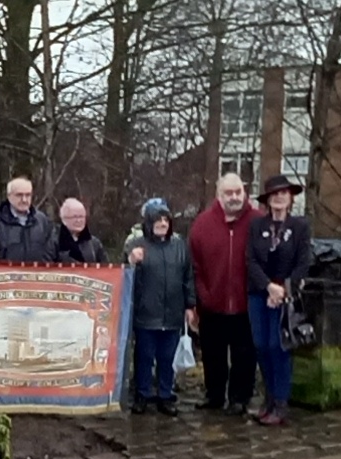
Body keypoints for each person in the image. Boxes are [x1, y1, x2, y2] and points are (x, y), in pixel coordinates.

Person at [188, 173, 261, 415]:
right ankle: (214, 395)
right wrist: (202, 296)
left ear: (245, 192)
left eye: (238, 192)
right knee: (212, 353)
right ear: (219, 196)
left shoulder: (258, 221)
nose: (234, 197)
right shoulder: (202, 224)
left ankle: (240, 398)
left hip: (246, 302)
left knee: (244, 354)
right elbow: (194, 264)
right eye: (229, 193)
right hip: (212, 302)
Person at [247, 175, 313, 426]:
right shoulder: (257, 226)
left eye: (284, 193)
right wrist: (268, 287)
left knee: (279, 346)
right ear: (267, 199)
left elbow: (302, 263)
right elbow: (251, 261)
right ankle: (268, 399)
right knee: (262, 345)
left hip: (285, 295)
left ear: (290, 198)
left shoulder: (300, 227)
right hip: (259, 292)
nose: (279, 197)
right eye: (275, 194)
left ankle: (281, 403)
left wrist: (282, 291)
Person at [125, 199, 196, 416]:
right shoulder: (137, 246)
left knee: (167, 358)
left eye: (166, 220)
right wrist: (130, 261)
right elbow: (124, 276)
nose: (162, 224)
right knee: (144, 357)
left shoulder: (179, 247)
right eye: (158, 220)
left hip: (173, 313)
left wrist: (190, 305)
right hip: (146, 314)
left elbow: (188, 277)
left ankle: (166, 395)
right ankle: (142, 394)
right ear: (148, 222)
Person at [0, 177, 57, 262]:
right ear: (9, 196)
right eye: (19, 195)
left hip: (37, 274)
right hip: (7, 274)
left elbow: (52, 253)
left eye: (28, 195)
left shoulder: (43, 221)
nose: (24, 200)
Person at [56, 198, 108, 263]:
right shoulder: (54, 243)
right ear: (64, 219)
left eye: (81, 216)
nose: (79, 220)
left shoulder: (94, 244)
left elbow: (105, 268)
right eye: (74, 217)